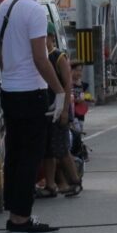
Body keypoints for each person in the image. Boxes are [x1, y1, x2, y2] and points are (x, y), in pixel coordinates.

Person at [0, 0, 66, 233]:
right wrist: (58, 90)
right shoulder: (34, 10)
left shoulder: (3, 7)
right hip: (30, 91)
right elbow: (40, 57)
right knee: (30, 156)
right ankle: (21, 218)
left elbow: (0, 52)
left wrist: (9, 73)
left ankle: (14, 213)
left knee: (14, 154)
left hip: (9, 89)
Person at [35, 25, 82, 199]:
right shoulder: (39, 57)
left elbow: (68, 84)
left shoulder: (58, 57)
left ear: (50, 37)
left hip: (60, 109)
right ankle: (50, 185)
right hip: (44, 109)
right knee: (47, 150)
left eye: (44, 37)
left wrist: (64, 111)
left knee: (62, 148)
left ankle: (75, 182)